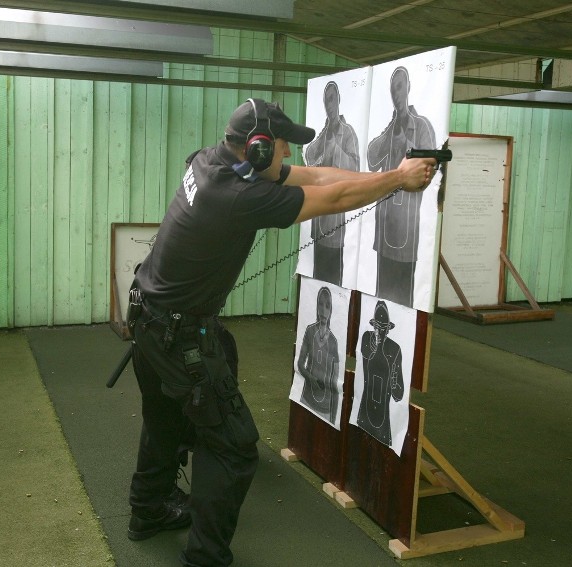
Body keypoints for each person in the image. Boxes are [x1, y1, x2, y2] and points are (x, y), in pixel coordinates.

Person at [126, 98, 434, 566]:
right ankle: (204, 558)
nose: (289, 157)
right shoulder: (237, 195)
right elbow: (329, 198)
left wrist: (390, 172)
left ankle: (148, 511)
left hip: (150, 321)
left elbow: (317, 177)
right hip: (177, 333)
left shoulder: (213, 162)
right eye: (284, 147)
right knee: (231, 447)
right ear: (257, 147)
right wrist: (397, 180)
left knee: (166, 422)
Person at [367, 66, 437, 307]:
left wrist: (405, 142)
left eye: (399, 86)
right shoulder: (390, 129)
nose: (396, 93)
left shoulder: (422, 126)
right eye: (392, 88)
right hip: (384, 226)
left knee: (403, 297)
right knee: (382, 294)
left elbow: (431, 172)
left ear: (408, 88)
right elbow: (371, 159)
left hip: (407, 231)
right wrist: (390, 132)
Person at [304, 81, 361, 286]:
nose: (328, 104)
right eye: (325, 100)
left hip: (336, 220)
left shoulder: (347, 133)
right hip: (318, 220)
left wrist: (335, 148)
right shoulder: (324, 133)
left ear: (338, 100)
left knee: (333, 277)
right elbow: (309, 156)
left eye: (331, 99)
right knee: (318, 275)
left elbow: (355, 168)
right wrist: (324, 137)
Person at [356, 300, 404, 446]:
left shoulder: (394, 349)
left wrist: (393, 377)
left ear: (388, 329)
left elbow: (399, 393)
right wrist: (373, 348)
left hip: (383, 415)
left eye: (383, 328)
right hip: (365, 408)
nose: (380, 331)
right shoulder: (367, 337)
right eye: (377, 327)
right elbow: (366, 353)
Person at [296, 285, 340, 423]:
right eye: (320, 304)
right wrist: (310, 378)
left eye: (327, 306)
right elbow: (300, 363)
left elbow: (335, 382)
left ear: (331, 310)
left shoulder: (333, 341)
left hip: (325, 407)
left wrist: (333, 418)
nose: (323, 310)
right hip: (307, 398)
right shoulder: (310, 331)